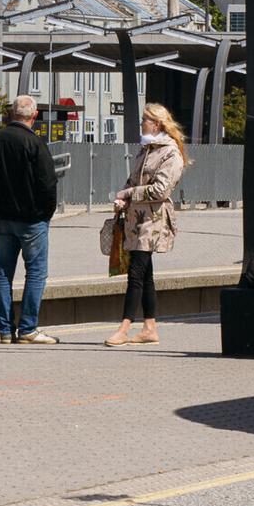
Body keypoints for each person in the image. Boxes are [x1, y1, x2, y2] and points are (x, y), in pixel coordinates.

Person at [0, 94, 60, 345]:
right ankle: (28, 329)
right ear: (34, 116)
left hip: (1, 219)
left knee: (3, 273)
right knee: (35, 272)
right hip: (32, 220)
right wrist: (46, 214)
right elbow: (47, 183)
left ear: (11, 114)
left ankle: (4, 331)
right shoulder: (35, 143)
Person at [105, 104, 188, 347]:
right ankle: (149, 327)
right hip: (135, 220)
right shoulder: (146, 149)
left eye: (145, 119)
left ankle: (124, 327)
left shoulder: (170, 153)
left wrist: (129, 193)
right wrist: (123, 199)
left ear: (158, 123)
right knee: (146, 274)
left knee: (136, 273)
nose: (141, 123)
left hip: (152, 222)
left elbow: (161, 190)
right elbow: (132, 180)